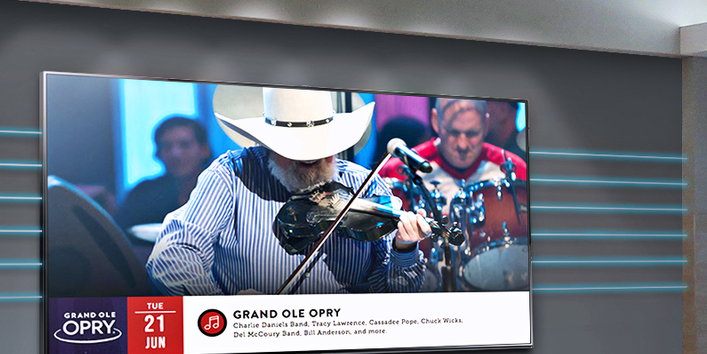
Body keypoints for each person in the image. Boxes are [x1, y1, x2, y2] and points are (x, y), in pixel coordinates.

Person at [148, 88, 426, 295]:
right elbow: (175, 253)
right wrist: (225, 311)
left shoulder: (363, 184)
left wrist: (404, 249)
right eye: (298, 152)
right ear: (268, 144)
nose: (312, 161)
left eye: (321, 149)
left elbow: (391, 292)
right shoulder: (230, 175)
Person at [377, 97, 529, 216]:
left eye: (472, 133)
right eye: (453, 133)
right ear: (435, 121)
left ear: (486, 124)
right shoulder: (395, 172)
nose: (462, 145)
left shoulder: (514, 169)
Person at [116, 115, 213, 230]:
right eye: (167, 147)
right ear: (158, 154)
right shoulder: (142, 194)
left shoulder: (225, 192)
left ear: (204, 150)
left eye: (184, 145)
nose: (175, 154)